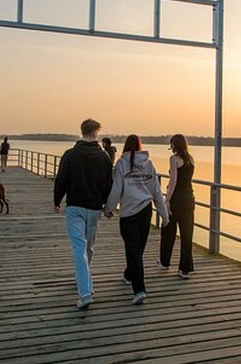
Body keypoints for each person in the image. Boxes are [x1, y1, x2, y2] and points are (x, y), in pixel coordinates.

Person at [53, 118, 113, 309]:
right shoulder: (104, 157)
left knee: (79, 248)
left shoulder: (70, 155)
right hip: (95, 208)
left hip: (75, 207)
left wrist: (57, 200)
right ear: (96, 133)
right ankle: (85, 284)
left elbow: (61, 179)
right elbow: (108, 184)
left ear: (81, 131)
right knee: (88, 247)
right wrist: (108, 206)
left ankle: (85, 292)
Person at [104, 135, 169, 305]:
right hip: (145, 211)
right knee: (138, 248)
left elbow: (116, 189)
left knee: (133, 249)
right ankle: (129, 274)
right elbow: (157, 192)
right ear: (140, 146)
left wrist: (109, 209)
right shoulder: (149, 164)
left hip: (129, 212)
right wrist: (164, 214)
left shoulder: (121, 164)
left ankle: (139, 289)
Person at [156, 134, 196, 279]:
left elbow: (173, 182)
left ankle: (164, 262)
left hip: (177, 199)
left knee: (168, 230)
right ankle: (185, 269)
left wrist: (167, 200)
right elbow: (187, 180)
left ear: (174, 144)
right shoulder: (190, 159)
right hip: (189, 198)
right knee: (187, 234)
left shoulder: (174, 159)